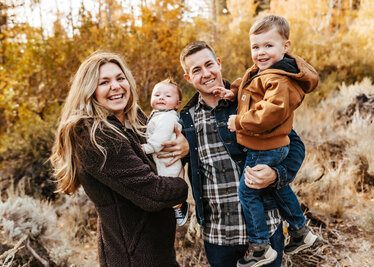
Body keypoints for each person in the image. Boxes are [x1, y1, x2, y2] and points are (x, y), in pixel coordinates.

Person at [163, 40, 306, 267]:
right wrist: (185, 152)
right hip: (218, 235)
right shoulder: (184, 120)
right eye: (196, 70)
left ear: (218, 64)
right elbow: (168, 163)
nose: (206, 73)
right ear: (188, 78)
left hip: (264, 232)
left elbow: (295, 145)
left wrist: (276, 174)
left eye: (209, 64)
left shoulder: (249, 100)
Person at [50, 52, 189, 267]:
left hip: (158, 250)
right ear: (90, 91)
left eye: (120, 78)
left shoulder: (133, 117)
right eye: (104, 82)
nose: (116, 86)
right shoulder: (95, 135)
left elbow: (163, 153)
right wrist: (181, 185)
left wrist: (184, 148)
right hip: (133, 257)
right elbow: (153, 193)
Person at [213, 15, 318, 266]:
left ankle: (260, 246)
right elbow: (251, 87)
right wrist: (233, 92)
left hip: (265, 146)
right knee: (278, 187)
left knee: (247, 193)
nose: (261, 52)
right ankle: (300, 231)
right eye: (255, 46)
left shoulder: (279, 78)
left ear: (286, 46)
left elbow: (271, 112)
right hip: (269, 146)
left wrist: (238, 121)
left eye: (268, 46)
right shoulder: (266, 71)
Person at [142, 78, 190, 226]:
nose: (161, 97)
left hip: (167, 160)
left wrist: (147, 148)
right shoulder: (157, 115)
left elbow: (161, 137)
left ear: (177, 104)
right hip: (162, 158)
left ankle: (179, 206)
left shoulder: (168, 117)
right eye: (157, 95)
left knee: (169, 185)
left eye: (167, 96)